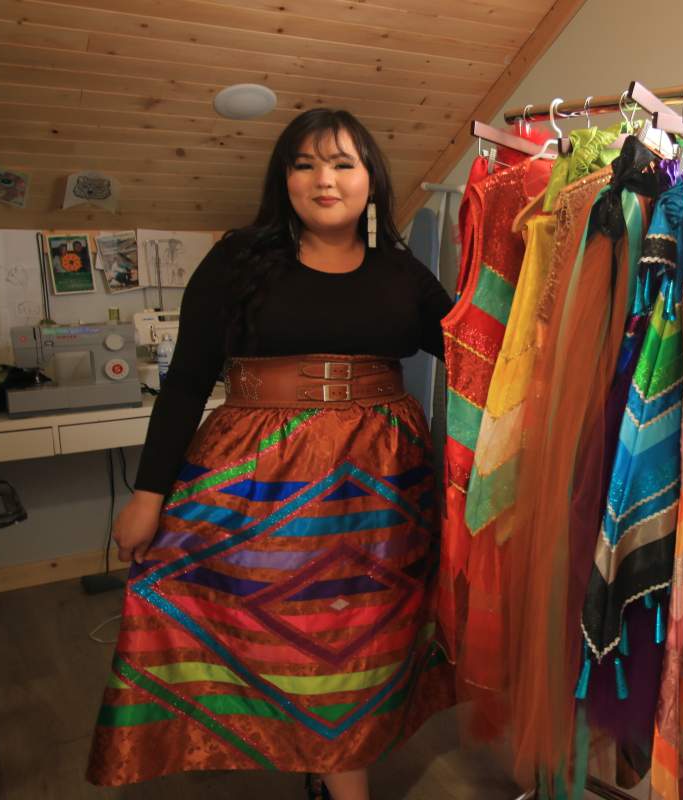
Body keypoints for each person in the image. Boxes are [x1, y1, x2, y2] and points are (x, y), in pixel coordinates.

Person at [85, 109, 455, 800]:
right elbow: (189, 380)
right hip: (258, 481)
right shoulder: (236, 261)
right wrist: (146, 494)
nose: (325, 180)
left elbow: (470, 351)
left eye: (344, 163)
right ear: (282, 178)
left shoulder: (402, 274)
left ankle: (336, 765)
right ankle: (316, 759)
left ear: (371, 179)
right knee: (269, 625)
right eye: (306, 163)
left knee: (358, 636)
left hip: (382, 489)